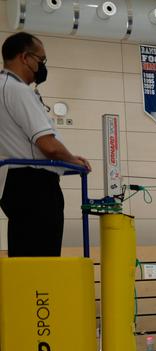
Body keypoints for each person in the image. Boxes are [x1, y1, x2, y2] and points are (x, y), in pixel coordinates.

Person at [1, 32, 91, 256]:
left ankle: (27, 291)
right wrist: (74, 161)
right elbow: (48, 145)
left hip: (10, 184)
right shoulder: (18, 90)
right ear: (25, 57)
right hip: (34, 186)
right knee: (42, 257)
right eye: (41, 60)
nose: (42, 66)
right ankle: (41, 292)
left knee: (23, 255)